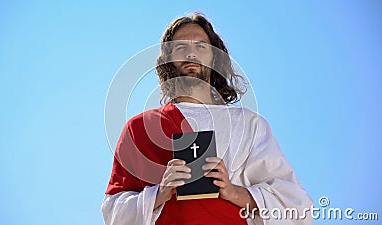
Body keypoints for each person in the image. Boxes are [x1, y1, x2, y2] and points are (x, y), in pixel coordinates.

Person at [102, 13, 313, 225]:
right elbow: (113, 212)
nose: (191, 53)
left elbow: (297, 205)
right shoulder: (139, 128)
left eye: (201, 46)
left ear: (215, 57)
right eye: (181, 47)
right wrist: (159, 194)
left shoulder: (249, 125)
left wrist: (232, 192)